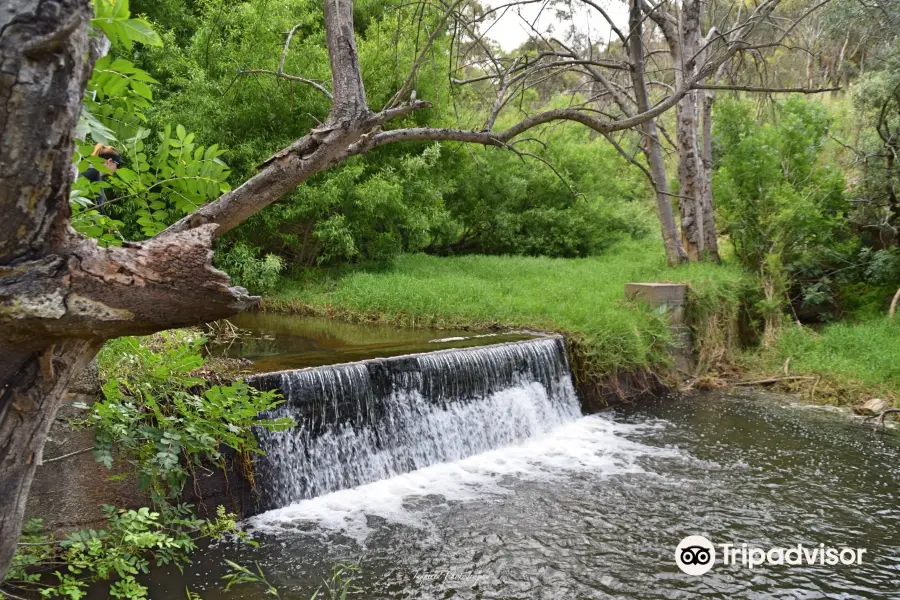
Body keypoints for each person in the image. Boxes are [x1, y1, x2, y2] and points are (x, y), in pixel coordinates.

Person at [81, 143, 123, 210]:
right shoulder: (92, 172)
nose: (117, 169)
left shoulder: (98, 176)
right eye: (118, 165)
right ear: (109, 161)